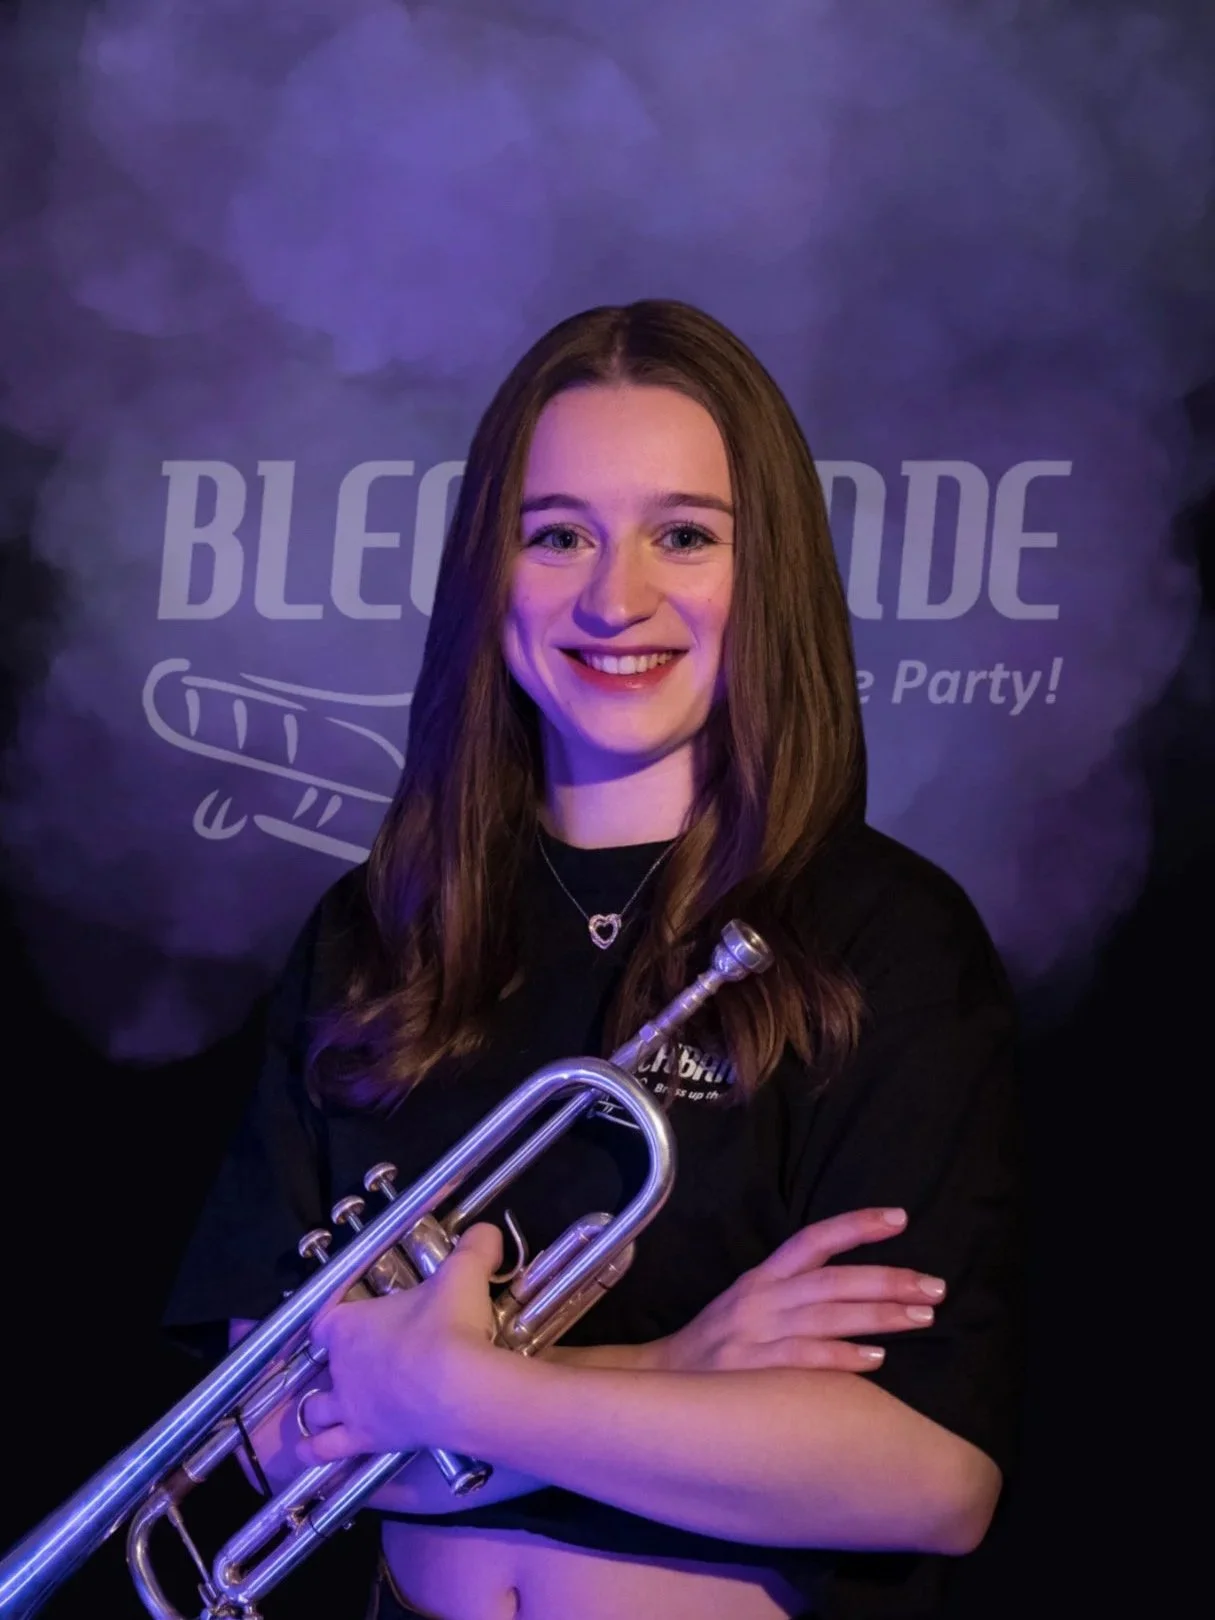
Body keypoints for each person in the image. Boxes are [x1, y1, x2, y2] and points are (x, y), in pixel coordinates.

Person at [164, 299, 1024, 1620]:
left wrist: (457, 1394)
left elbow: (923, 1480)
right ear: (489, 572)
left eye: (685, 535)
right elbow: (273, 1436)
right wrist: (677, 1369)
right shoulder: (377, 927)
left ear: (768, 573)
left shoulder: (885, 938)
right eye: (556, 534)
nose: (615, 599)